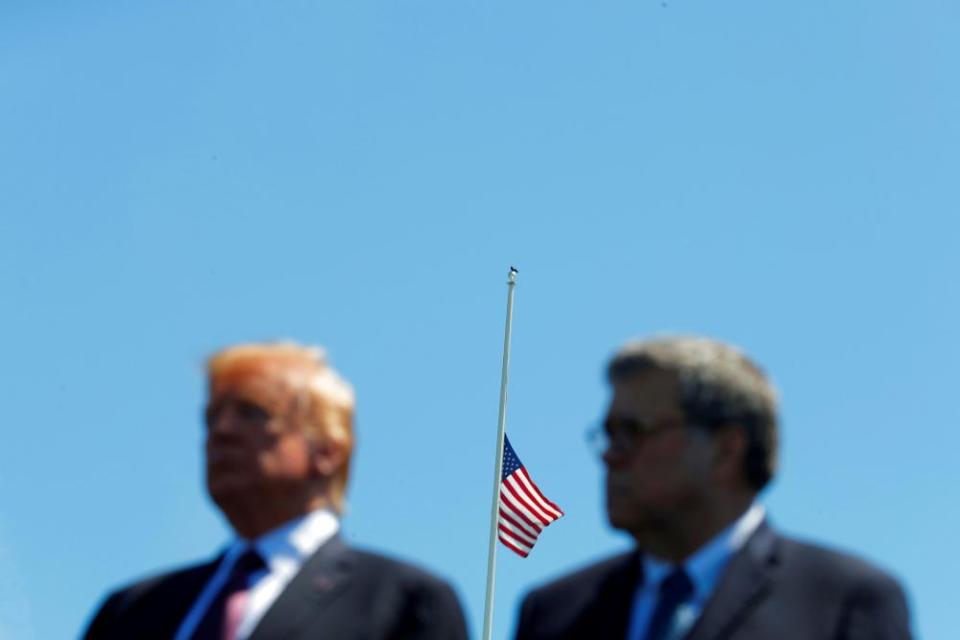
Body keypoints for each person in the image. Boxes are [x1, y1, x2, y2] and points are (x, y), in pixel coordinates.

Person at [514, 336, 911, 640]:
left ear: (725, 451)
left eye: (633, 432)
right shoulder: (552, 613)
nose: (610, 457)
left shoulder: (845, 601)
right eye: (608, 434)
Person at [84, 342, 468, 640]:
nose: (221, 432)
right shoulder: (131, 612)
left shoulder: (403, 602)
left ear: (326, 450)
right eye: (211, 417)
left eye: (253, 413)